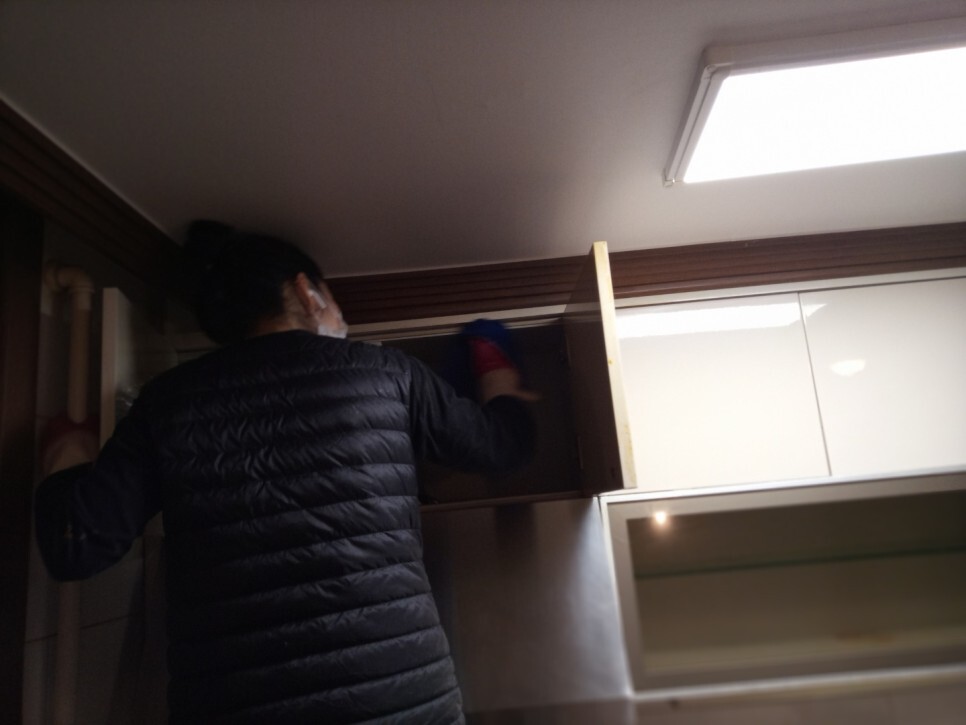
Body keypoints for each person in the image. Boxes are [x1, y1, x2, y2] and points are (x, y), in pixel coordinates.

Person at [35, 220, 536, 724]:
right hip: (403, 702)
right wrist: (498, 374)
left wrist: (69, 449)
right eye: (335, 300)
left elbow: (77, 544)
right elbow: (502, 448)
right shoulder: (386, 374)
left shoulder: (167, 402)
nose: (341, 318)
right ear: (304, 291)